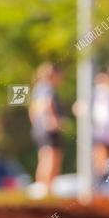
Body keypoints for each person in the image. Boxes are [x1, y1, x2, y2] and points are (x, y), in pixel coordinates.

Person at [28, 62, 66, 198]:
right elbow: (47, 104)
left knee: (45, 157)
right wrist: (53, 120)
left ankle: (45, 189)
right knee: (51, 158)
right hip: (48, 130)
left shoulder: (38, 88)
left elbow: (32, 110)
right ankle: (45, 189)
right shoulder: (46, 88)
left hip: (40, 129)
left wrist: (36, 124)